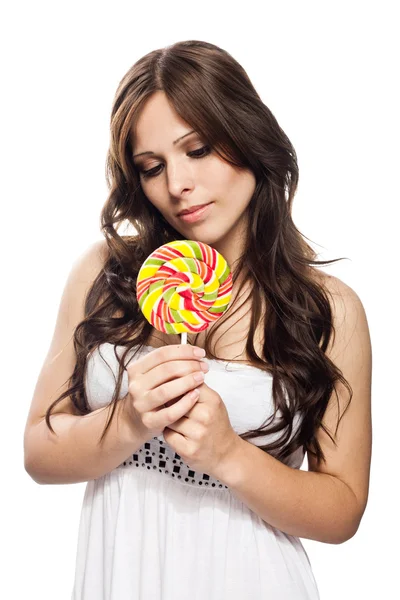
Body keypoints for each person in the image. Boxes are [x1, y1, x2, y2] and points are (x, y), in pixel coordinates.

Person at [23, 40, 372, 599]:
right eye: (152, 167)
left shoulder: (328, 308)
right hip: (123, 577)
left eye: (200, 149)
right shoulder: (105, 276)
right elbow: (39, 453)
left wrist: (230, 454)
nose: (177, 185)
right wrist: (131, 420)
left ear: (247, 135)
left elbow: (343, 510)